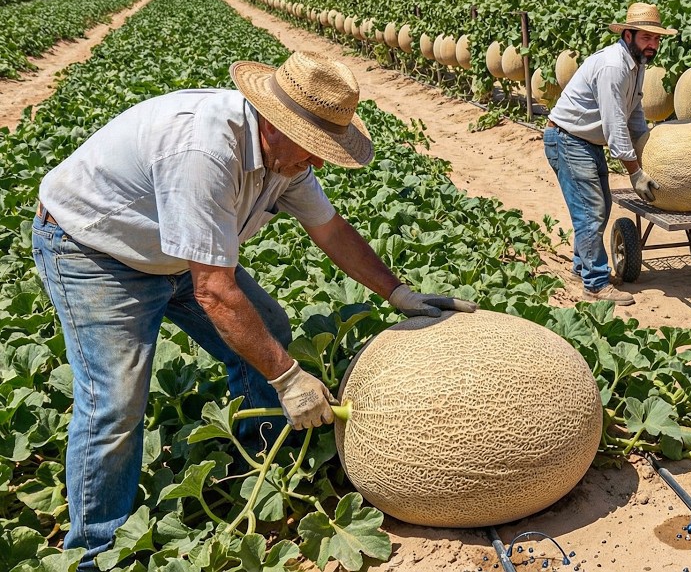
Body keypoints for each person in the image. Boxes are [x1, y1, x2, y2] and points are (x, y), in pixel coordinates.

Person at [31, 51, 478, 566]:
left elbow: (330, 229)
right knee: (116, 401)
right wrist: (288, 378)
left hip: (179, 254)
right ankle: (95, 551)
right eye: (311, 147)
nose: (316, 160)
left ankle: (257, 458)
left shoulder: (285, 158)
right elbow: (214, 291)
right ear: (272, 122)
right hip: (96, 253)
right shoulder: (202, 151)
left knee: (266, 327)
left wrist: (398, 293)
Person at [544, 2, 676, 306]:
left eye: (656, 39)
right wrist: (635, 172)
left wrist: (647, 149)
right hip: (568, 139)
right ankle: (595, 285)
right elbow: (615, 125)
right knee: (590, 212)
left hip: (585, 142)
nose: (653, 45)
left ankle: (582, 268)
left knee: (598, 208)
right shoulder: (614, 67)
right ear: (628, 35)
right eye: (646, 38)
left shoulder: (637, 64)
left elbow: (634, 115)